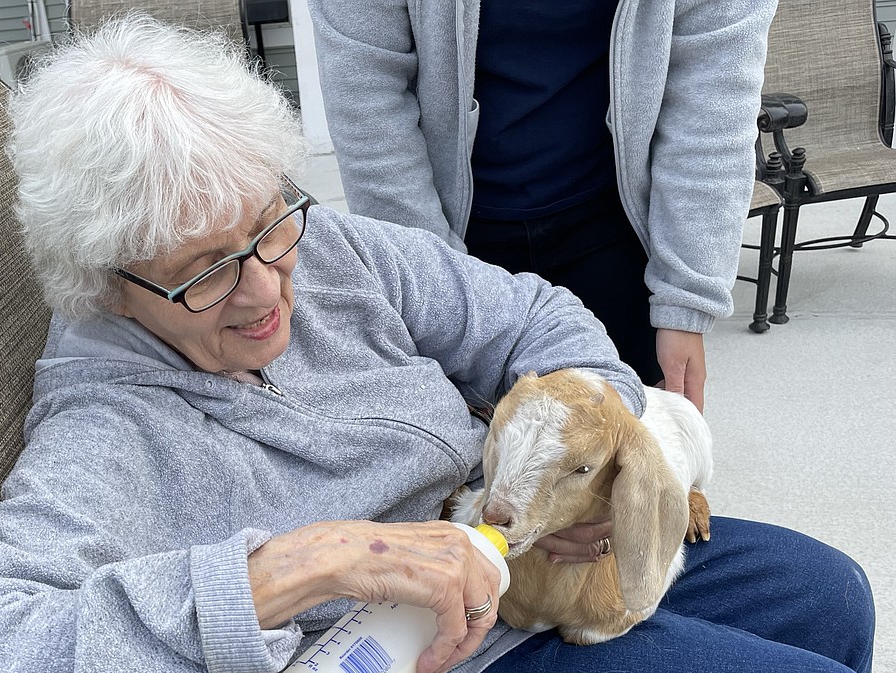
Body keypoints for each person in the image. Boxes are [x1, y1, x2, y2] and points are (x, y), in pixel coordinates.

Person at [0, 15, 893, 673]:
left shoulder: (323, 246)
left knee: (829, 593)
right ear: (107, 282)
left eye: (265, 230)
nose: (266, 291)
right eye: (202, 271)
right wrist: (302, 562)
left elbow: (532, 314)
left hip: (519, 565)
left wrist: (560, 465)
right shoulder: (111, 428)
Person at [305, 0, 778, 411]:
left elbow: (712, 104)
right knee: (474, 474)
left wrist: (686, 302)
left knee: (622, 476)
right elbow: (367, 99)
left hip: (620, 235)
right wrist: (435, 286)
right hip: (449, 236)